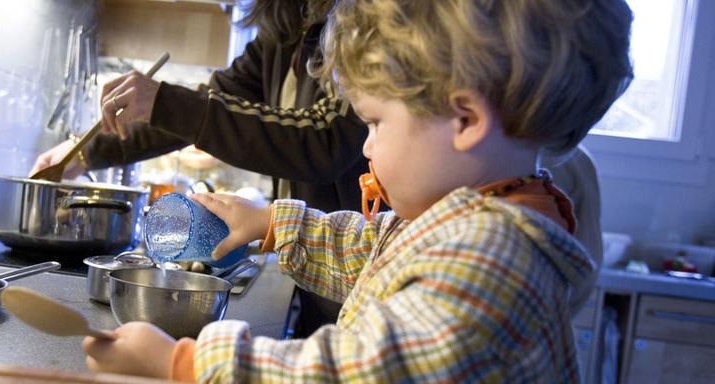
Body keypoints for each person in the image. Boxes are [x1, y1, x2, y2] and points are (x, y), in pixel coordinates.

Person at [80, 0, 634, 381]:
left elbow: (354, 373)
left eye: (374, 123)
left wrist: (189, 364)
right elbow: (370, 251)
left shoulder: (491, 261)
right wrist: (274, 223)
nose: (364, 148)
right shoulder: (464, 221)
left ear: (464, 120)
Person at [31, 0, 363, 337]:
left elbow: (326, 139)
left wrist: (165, 102)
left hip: (350, 268)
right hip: (313, 270)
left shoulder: (361, 20)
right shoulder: (283, 30)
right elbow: (197, 110)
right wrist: (83, 153)